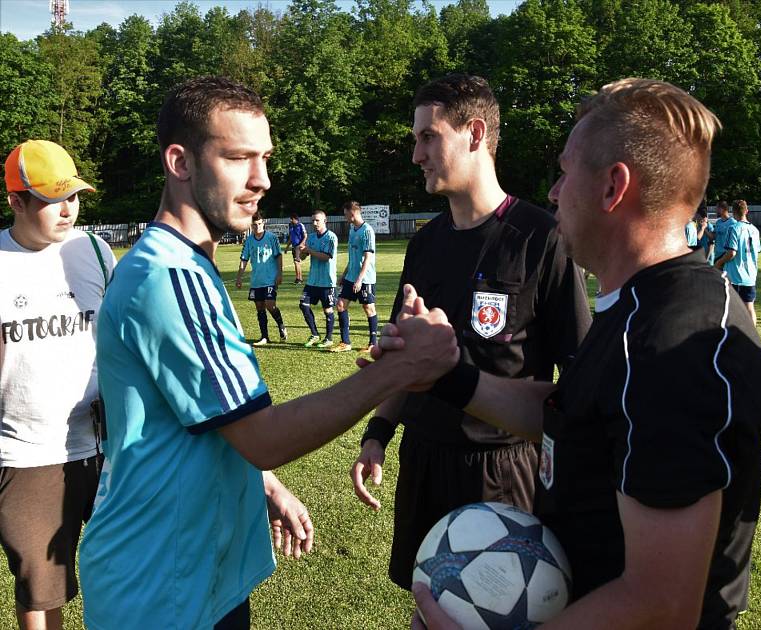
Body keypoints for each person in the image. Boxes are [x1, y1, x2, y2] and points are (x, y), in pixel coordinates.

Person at [77, 76, 459, 630]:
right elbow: (264, 437)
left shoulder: (186, 270)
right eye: (238, 158)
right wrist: (404, 366)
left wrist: (263, 485)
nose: (263, 180)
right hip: (160, 586)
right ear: (180, 162)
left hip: (189, 575)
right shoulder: (168, 278)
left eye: (265, 158)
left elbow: (198, 417)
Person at [389, 78, 761, 629]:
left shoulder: (675, 341)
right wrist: (447, 374)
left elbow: (661, 604)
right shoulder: (639, 306)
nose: (552, 192)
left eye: (566, 172)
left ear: (613, 187)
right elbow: (574, 417)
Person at [350, 74, 592, 591]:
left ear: (475, 133)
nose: (416, 154)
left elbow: (579, 378)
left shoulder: (542, 237)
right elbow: (406, 359)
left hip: (503, 467)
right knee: (429, 604)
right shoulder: (425, 244)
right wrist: (378, 434)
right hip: (424, 456)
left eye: (428, 137)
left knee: (499, 612)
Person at [0, 140, 115, 630]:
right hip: (28, 454)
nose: (68, 210)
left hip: (108, 446)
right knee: (42, 591)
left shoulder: (93, 249)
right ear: (17, 201)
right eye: (52, 199)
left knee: (130, 570)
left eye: (74, 196)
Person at [330, 200, 379, 353]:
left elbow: (367, 258)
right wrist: (344, 275)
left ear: (352, 213)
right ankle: (345, 342)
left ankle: (373, 343)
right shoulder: (352, 229)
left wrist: (359, 279)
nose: (344, 217)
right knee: (340, 305)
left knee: (368, 308)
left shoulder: (367, 231)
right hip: (351, 276)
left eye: (345, 214)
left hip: (365, 278)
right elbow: (353, 256)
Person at [235, 211, 287, 345]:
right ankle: (264, 337)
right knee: (259, 307)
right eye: (254, 225)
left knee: (270, 305)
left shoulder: (272, 238)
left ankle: (281, 325)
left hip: (270, 279)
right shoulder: (249, 241)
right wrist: (239, 277)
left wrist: (280, 274)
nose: (257, 227)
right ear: (251, 226)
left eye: (259, 224)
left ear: (263, 223)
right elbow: (244, 259)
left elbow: (278, 256)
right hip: (256, 280)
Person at [715, 199, 761, 327]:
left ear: (733, 211)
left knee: (731, 309)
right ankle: (753, 337)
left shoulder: (733, 228)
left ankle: (734, 337)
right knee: (750, 307)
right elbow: (756, 251)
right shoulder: (755, 230)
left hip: (735, 276)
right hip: (751, 275)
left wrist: (718, 263)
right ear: (747, 211)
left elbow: (731, 253)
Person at [297, 210, 338, 348]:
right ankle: (315, 334)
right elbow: (303, 257)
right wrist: (301, 252)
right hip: (312, 281)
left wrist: (309, 250)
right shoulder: (311, 238)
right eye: (313, 221)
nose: (314, 223)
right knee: (303, 304)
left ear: (325, 221)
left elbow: (326, 257)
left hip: (327, 281)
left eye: (317, 220)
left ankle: (329, 338)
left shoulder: (331, 237)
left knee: (328, 310)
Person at [285, 213, 307, 284]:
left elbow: (305, 236)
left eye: (292, 219)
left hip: (298, 247)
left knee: (296, 262)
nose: (290, 220)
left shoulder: (300, 225)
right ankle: (299, 278)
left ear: (295, 219)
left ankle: (298, 279)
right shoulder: (291, 226)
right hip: (294, 247)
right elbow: (291, 238)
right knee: (297, 263)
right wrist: (287, 247)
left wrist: (301, 244)